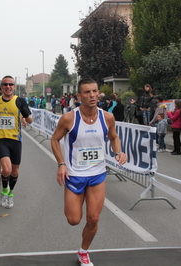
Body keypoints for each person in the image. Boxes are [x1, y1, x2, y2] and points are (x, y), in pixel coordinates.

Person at [51, 78, 127, 266]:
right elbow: (54, 140)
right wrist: (61, 163)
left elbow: (114, 137)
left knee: (93, 218)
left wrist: (118, 151)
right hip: (75, 175)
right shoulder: (69, 118)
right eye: (87, 92)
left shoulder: (107, 117)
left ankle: (83, 251)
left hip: (97, 174)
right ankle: (74, 211)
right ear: (79, 96)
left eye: (95, 91)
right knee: (73, 220)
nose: (92, 95)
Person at [0, 76, 33, 209]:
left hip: (15, 140)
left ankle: (11, 194)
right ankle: (4, 192)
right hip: (1, 139)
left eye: (10, 84)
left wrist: (25, 114)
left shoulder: (20, 101)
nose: (8, 87)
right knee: (6, 169)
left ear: (14, 86)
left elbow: (30, 121)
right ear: (1, 87)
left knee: (15, 172)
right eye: (5, 84)